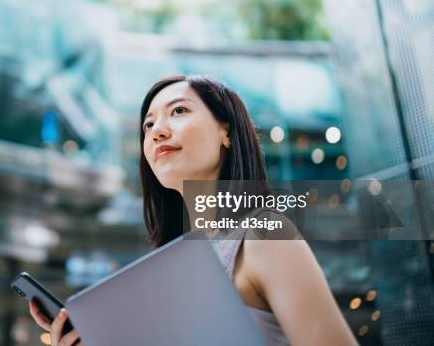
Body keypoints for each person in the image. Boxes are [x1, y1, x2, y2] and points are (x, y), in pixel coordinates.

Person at [29, 74, 357, 346]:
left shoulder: (265, 233)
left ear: (226, 132)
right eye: (147, 125)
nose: (157, 131)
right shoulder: (168, 270)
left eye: (179, 111)